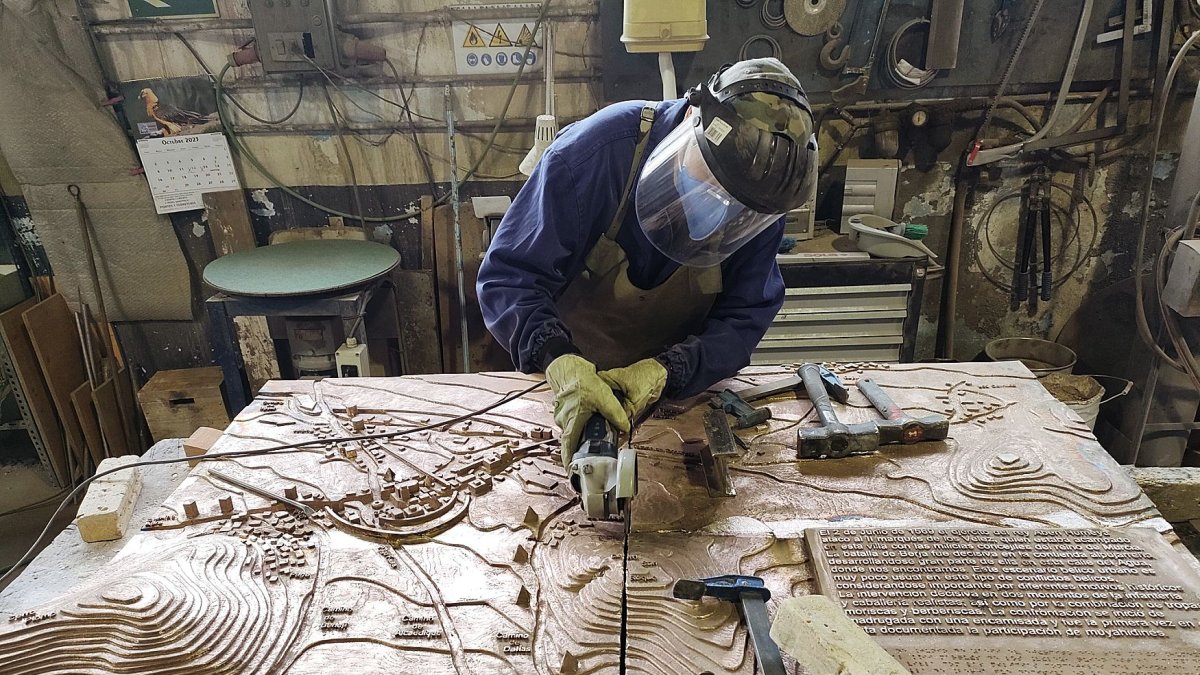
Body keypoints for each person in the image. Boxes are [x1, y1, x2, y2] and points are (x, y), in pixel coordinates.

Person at [477, 57, 818, 467]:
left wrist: (670, 371)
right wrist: (557, 358)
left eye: (739, 207)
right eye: (714, 182)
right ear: (693, 117)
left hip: (675, 398)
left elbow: (744, 318)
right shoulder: (594, 154)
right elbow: (509, 278)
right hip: (561, 379)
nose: (723, 207)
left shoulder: (760, 202)